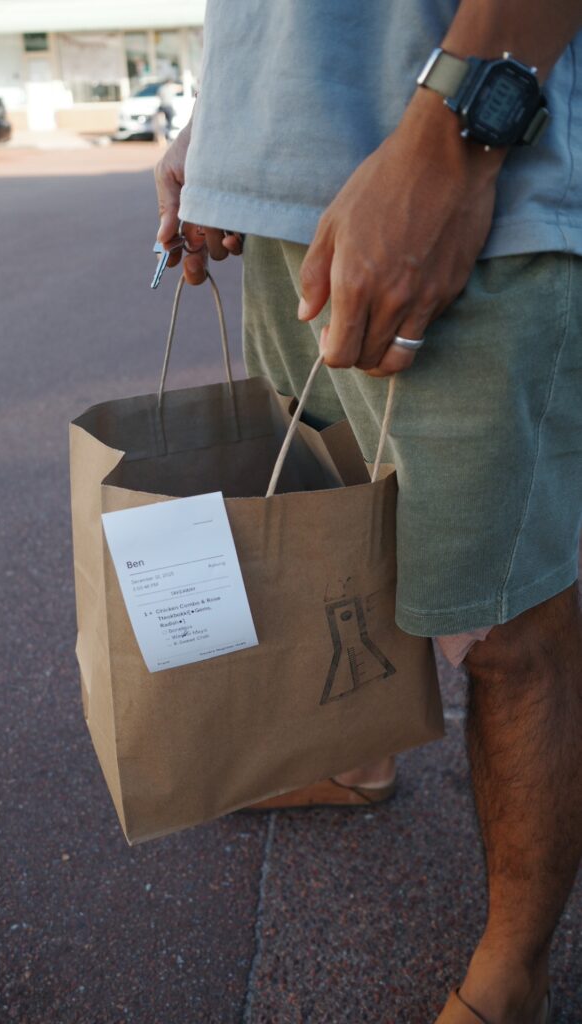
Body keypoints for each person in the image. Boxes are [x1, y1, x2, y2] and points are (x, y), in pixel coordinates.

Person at [154, 3, 582, 1022]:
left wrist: (456, 136)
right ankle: (353, 756)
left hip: (456, 184)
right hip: (272, 194)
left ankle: (511, 974)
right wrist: (217, 124)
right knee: (327, 542)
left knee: (507, 627)